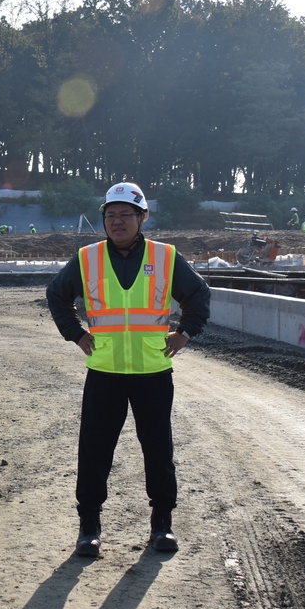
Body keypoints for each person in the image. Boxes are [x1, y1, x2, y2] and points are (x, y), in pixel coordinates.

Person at [46, 182, 211, 557]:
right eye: (110, 215)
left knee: (157, 449)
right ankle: (89, 527)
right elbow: (57, 294)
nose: (117, 221)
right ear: (103, 219)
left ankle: (162, 526)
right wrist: (74, 332)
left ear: (142, 217)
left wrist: (185, 333)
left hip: (152, 373)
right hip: (104, 372)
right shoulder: (86, 258)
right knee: (94, 451)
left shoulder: (166, 257)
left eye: (125, 214)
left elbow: (198, 294)